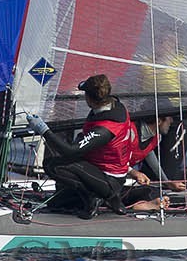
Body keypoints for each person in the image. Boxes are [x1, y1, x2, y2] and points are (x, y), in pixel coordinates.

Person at [25, 75, 156, 217]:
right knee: (58, 201)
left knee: (52, 164)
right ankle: (97, 196)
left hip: (109, 180)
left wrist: (43, 130)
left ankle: (102, 197)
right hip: (101, 169)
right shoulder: (117, 105)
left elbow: (69, 151)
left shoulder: (105, 130)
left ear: (89, 99)